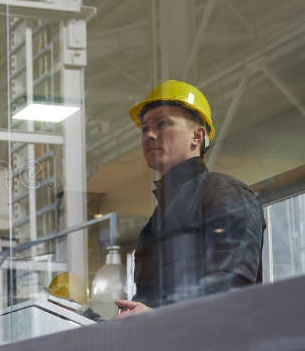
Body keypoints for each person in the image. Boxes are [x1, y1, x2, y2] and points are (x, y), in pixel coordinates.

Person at [114, 80, 265, 318]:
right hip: (168, 348)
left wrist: (154, 319)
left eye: (162, 124)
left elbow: (229, 291)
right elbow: (150, 301)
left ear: (197, 136)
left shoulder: (225, 194)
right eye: (144, 128)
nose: (149, 135)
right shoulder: (156, 220)